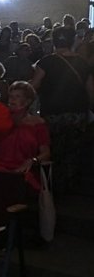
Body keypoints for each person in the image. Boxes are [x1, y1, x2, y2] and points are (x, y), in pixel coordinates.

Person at [31, 26, 94, 193]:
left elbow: (34, 86)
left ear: (54, 42)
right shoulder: (82, 63)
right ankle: (70, 186)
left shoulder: (46, 61)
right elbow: (91, 91)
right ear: (73, 41)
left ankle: (52, 185)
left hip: (52, 113)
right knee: (73, 150)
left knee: (52, 149)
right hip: (77, 114)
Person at [0, 81, 50, 192]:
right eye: (11, 96)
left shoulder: (37, 124)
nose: (12, 100)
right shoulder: (0, 118)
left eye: (17, 96)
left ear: (27, 101)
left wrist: (33, 160)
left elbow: (46, 153)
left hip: (22, 171)